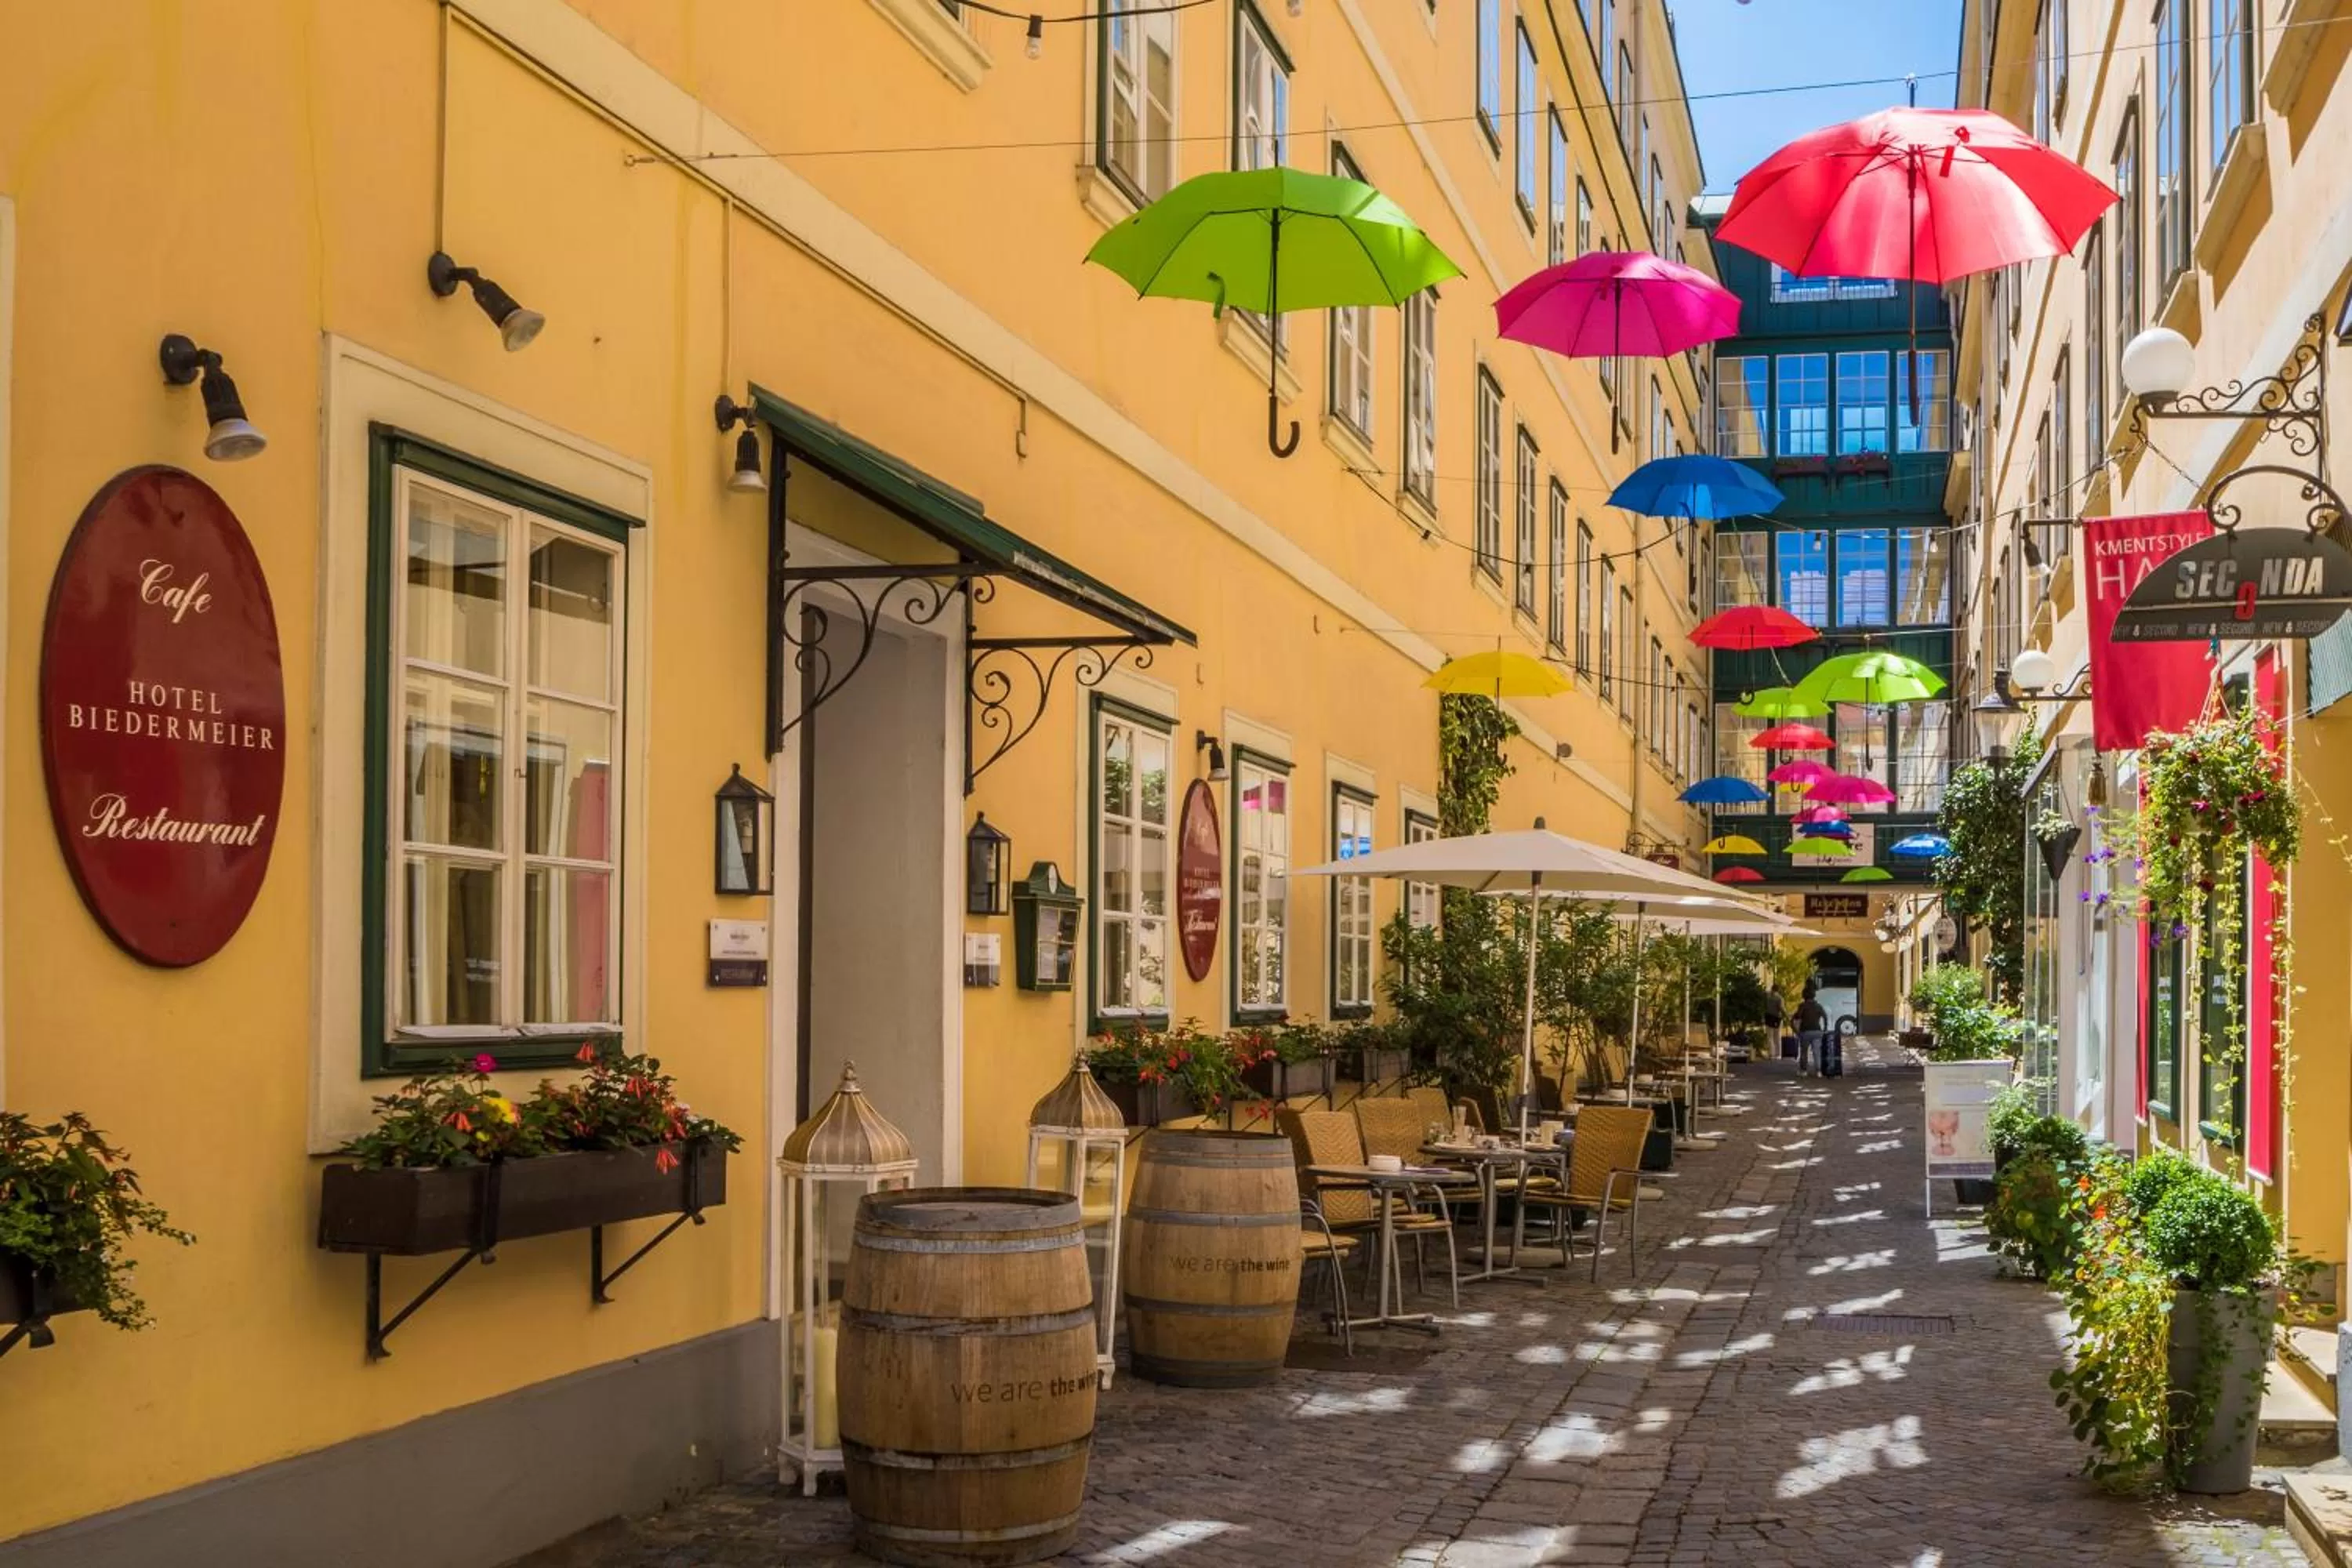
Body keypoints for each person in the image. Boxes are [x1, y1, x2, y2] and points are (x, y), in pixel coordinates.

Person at [1795, 985, 1829, 1077]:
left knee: (1804, 1052)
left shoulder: (1803, 1006)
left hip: (1805, 1032)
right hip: (1817, 1032)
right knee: (1817, 1051)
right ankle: (1818, 1071)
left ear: (1804, 996)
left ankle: (1804, 1071)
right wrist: (1825, 1029)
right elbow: (1825, 1017)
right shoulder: (1818, 1006)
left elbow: (1798, 1016)